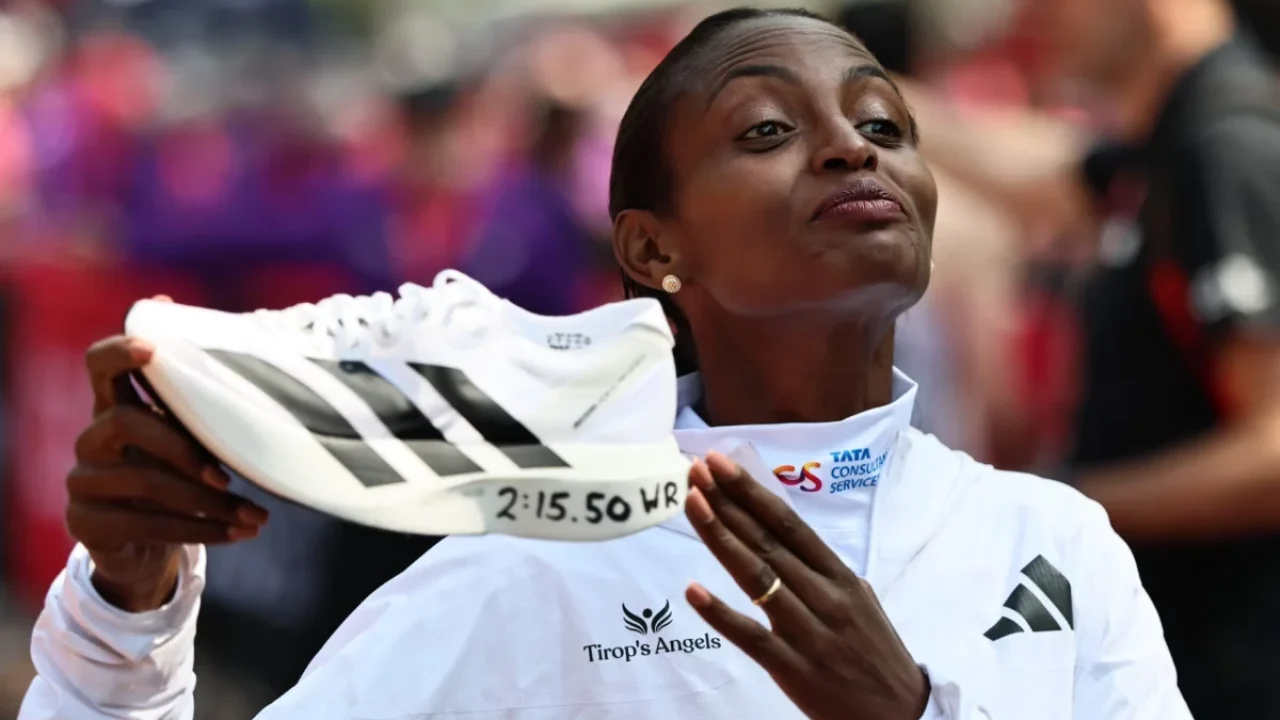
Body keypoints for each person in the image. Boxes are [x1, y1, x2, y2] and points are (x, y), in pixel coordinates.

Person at [20, 8, 1190, 719]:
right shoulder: (527, 566)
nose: (849, 147)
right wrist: (125, 618)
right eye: (766, 130)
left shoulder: (1051, 542)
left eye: (882, 125)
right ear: (650, 249)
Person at [903, 0, 1280, 714]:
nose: (1033, 13)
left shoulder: (1227, 147)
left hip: (1235, 667)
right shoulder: (1169, 140)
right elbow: (1038, 182)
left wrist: (1060, 504)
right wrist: (869, 100)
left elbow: (1273, 453)